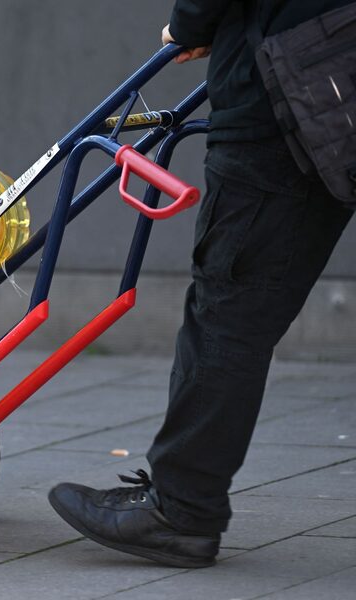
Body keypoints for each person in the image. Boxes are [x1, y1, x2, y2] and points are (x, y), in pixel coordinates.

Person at [48, 0, 354, 569]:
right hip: (329, 77)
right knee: (241, 308)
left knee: (230, 310)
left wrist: (193, 24)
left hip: (285, 97)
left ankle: (181, 511)